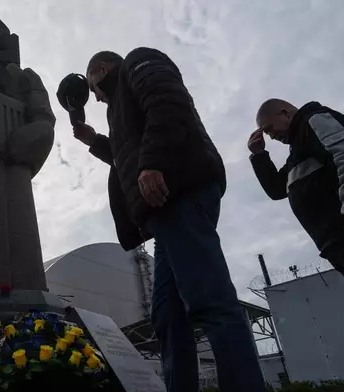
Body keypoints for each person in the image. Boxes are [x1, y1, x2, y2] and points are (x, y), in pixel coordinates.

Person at [72, 48, 265, 392]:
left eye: (93, 87)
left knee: (208, 297)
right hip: (165, 208)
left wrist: (152, 163)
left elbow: (168, 103)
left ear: (101, 70)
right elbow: (127, 154)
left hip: (180, 192)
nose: (96, 98)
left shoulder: (138, 61)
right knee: (167, 316)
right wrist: (96, 142)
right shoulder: (120, 109)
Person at [249, 98, 344, 328]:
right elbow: (277, 189)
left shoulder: (314, 120)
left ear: (285, 113)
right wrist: (258, 156)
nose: (271, 136)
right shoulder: (297, 152)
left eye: (269, 129)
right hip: (339, 244)